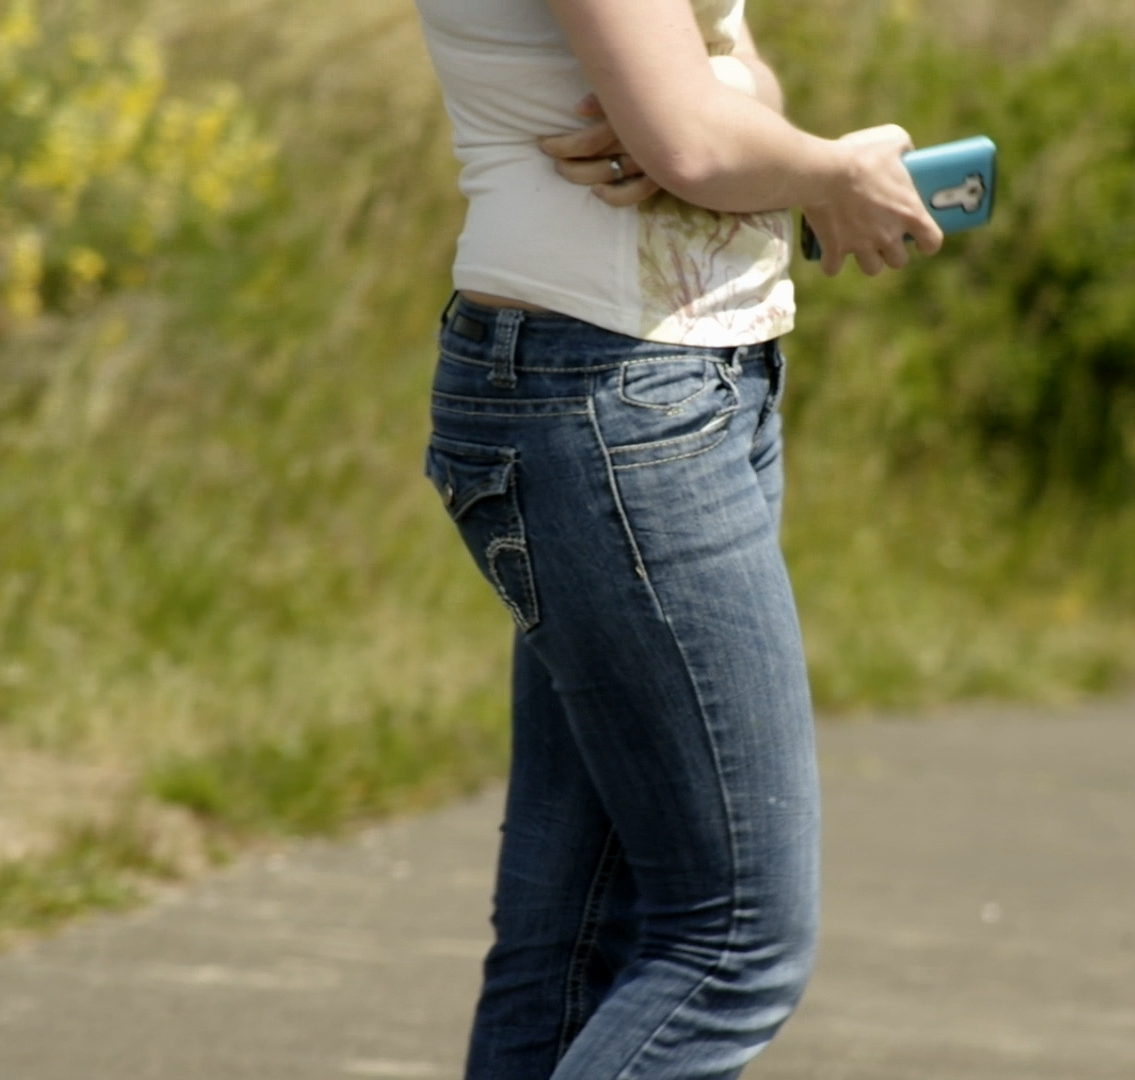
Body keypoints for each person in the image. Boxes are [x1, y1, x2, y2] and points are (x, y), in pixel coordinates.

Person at [410, 1, 941, 1077]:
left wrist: (704, 117)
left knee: (571, 934)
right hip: (611, 389)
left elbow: (734, 78)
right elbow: (697, 145)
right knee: (735, 945)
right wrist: (820, 170)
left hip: (688, 386)